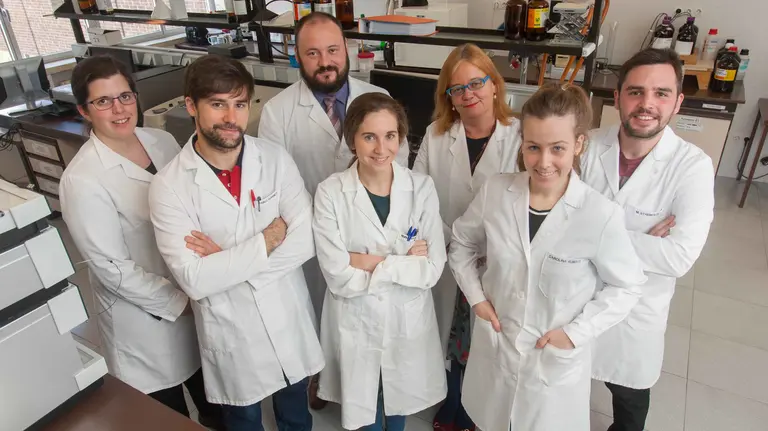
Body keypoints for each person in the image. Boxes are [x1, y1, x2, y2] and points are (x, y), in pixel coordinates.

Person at [448, 83, 647, 431]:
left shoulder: (599, 215)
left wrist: (575, 333)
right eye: (533, 147)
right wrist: (476, 298)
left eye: (558, 148)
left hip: (551, 365)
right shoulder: (496, 192)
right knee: (489, 420)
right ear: (521, 144)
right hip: (497, 346)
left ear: (579, 144)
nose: (543, 162)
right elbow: (462, 243)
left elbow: (627, 286)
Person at [148, 54, 324, 431]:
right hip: (232, 331)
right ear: (191, 106)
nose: (231, 117)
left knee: (296, 413)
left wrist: (228, 264)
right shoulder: (169, 186)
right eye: (217, 104)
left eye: (240, 104)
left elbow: (306, 240)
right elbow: (194, 279)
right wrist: (270, 237)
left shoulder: (274, 159)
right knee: (243, 419)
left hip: (285, 318)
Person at [59, 55, 222, 428]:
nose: (119, 109)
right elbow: (111, 269)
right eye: (103, 101)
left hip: (193, 292)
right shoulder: (83, 180)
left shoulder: (161, 140)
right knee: (168, 416)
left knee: (215, 403)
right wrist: (180, 301)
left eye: (125, 97)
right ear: (85, 110)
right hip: (146, 319)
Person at [258, 12, 409, 408]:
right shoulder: (277, 112)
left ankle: (370, 380)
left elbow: (400, 169)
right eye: (312, 53)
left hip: (371, 233)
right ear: (297, 56)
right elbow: (276, 189)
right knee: (319, 313)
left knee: (365, 314)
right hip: (309, 236)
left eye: (332, 49)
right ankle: (321, 377)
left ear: (347, 50)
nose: (325, 61)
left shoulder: (379, 100)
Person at [582, 48, 715, 431]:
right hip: (576, 296)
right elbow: (554, 221)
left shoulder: (691, 167)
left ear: (678, 102)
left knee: (628, 397)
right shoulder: (587, 145)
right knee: (566, 382)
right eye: (636, 92)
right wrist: (639, 239)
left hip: (635, 313)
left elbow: (677, 257)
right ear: (618, 96)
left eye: (661, 93)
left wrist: (591, 234)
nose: (647, 104)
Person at [313, 93, 447, 431]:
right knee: (366, 410)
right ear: (352, 139)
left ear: (401, 138)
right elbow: (337, 275)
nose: (380, 148)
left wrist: (365, 261)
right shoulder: (330, 193)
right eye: (369, 136)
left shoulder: (421, 188)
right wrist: (401, 263)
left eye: (390, 136)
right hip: (356, 321)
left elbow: (431, 269)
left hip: (406, 321)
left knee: (398, 401)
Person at [412, 43, 522, 431]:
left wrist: (487, 250)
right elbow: (419, 195)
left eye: (477, 82)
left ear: (495, 85)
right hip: (444, 252)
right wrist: (451, 242)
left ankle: (478, 407)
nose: (468, 93)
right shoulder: (436, 135)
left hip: (499, 259)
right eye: (457, 88)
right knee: (452, 332)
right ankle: (453, 397)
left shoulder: (520, 136)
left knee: (489, 336)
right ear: (449, 98)